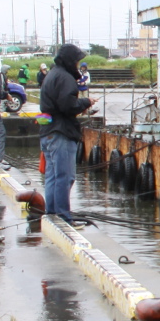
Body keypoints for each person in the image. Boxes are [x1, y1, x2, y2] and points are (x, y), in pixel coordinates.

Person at [38, 43, 93, 222]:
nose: (77, 64)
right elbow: (68, 106)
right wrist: (86, 102)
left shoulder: (52, 74)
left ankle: (52, 212)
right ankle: (63, 216)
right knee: (65, 176)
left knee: (52, 176)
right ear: (70, 60)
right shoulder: (65, 78)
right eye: (76, 61)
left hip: (48, 131)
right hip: (60, 132)